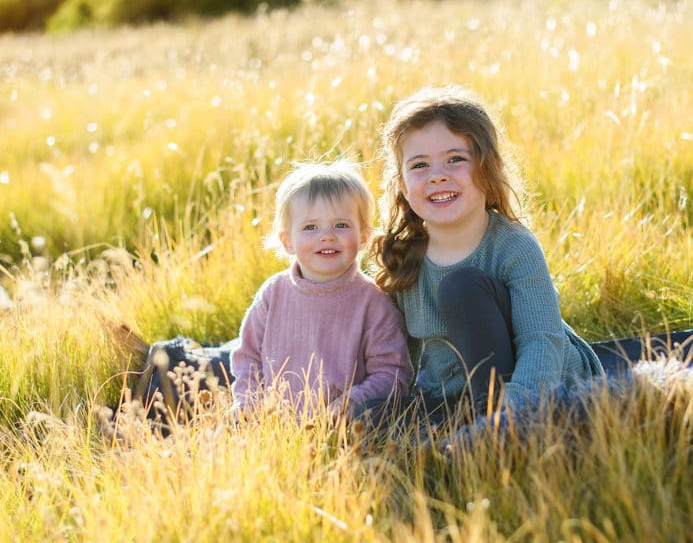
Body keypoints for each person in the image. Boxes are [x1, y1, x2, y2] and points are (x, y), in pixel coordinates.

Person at [361, 85, 604, 433]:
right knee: (362, 419)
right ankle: (465, 424)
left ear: (488, 168)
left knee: (462, 289)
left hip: (537, 385)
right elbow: (391, 354)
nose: (437, 175)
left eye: (455, 159)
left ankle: (490, 427)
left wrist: (511, 418)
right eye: (420, 165)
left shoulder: (513, 247)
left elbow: (541, 341)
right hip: (452, 394)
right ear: (401, 184)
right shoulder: (400, 254)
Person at [228, 160, 412, 423]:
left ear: (363, 237)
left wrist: (352, 402)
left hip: (342, 432)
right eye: (310, 227)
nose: (326, 236)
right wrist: (248, 403)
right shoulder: (273, 294)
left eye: (341, 225)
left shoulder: (373, 303)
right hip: (275, 427)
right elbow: (248, 358)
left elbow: (392, 372)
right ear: (287, 241)